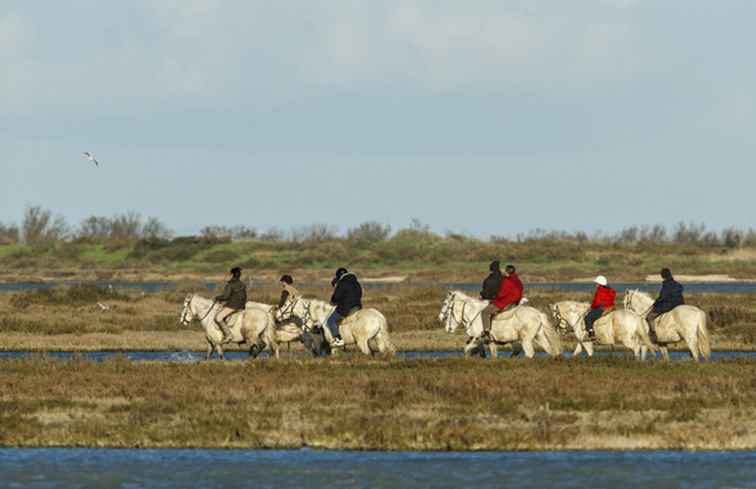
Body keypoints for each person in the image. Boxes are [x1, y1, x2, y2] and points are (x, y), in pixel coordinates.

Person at [480, 265, 523, 340]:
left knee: (484, 312)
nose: (503, 271)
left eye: (505, 271)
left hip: (506, 302)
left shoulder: (507, 281)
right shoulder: (518, 280)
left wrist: (491, 298)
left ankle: (486, 333)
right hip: (515, 302)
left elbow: (502, 294)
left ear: (507, 272)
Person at [325, 267, 362, 347]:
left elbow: (336, 297)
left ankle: (338, 339)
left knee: (330, 321)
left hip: (346, 308)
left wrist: (333, 301)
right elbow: (360, 294)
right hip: (357, 307)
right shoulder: (356, 282)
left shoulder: (342, 283)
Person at [646, 268, 685, 339]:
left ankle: (653, 334)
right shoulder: (677, 284)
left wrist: (655, 304)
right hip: (680, 304)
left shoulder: (666, 285)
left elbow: (662, 297)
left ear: (663, 276)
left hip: (669, 305)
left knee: (649, 317)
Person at [214, 266, 247, 344]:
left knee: (218, 318)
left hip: (233, 306)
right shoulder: (242, 284)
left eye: (229, 274)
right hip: (241, 306)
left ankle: (229, 335)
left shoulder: (230, 284)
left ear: (232, 275)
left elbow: (226, 296)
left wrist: (217, 297)